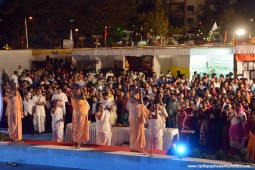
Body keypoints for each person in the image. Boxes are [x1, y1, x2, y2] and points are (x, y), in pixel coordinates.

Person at [127, 87, 149, 153]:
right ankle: (133, 148)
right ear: (132, 90)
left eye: (137, 90)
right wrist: (140, 93)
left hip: (139, 116)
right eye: (135, 89)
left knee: (140, 132)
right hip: (134, 117)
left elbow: (141, 104)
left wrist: (140, 94)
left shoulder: (138, 96)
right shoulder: (131, 97)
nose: (136, 91)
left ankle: (138, 148)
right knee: (135, 133)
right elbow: (140, 102)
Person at [71, 84, 90, 149]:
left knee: (81, 128)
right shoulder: (73, 94)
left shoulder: (80, 93)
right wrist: (82, 91)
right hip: (77, 113)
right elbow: (82, 98)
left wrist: (82, 91)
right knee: (77, 128)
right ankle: (76, 143)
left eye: (78, 88)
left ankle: (78, 143)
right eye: (76, 88)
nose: (77, 89)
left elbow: (84, 98)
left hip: (82, 112)